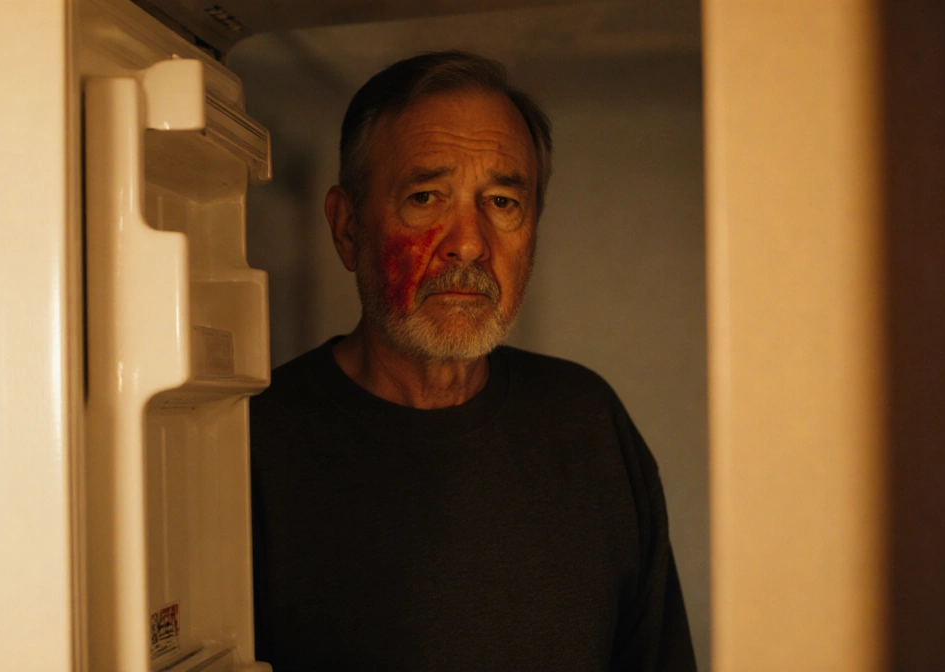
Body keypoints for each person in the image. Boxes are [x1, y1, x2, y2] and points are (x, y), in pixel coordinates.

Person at [250, 50, 695, 670]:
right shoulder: (252, 443)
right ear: (348, 228)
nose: (468, 242)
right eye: (427, 196)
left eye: (503, 202)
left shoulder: (590, 424)